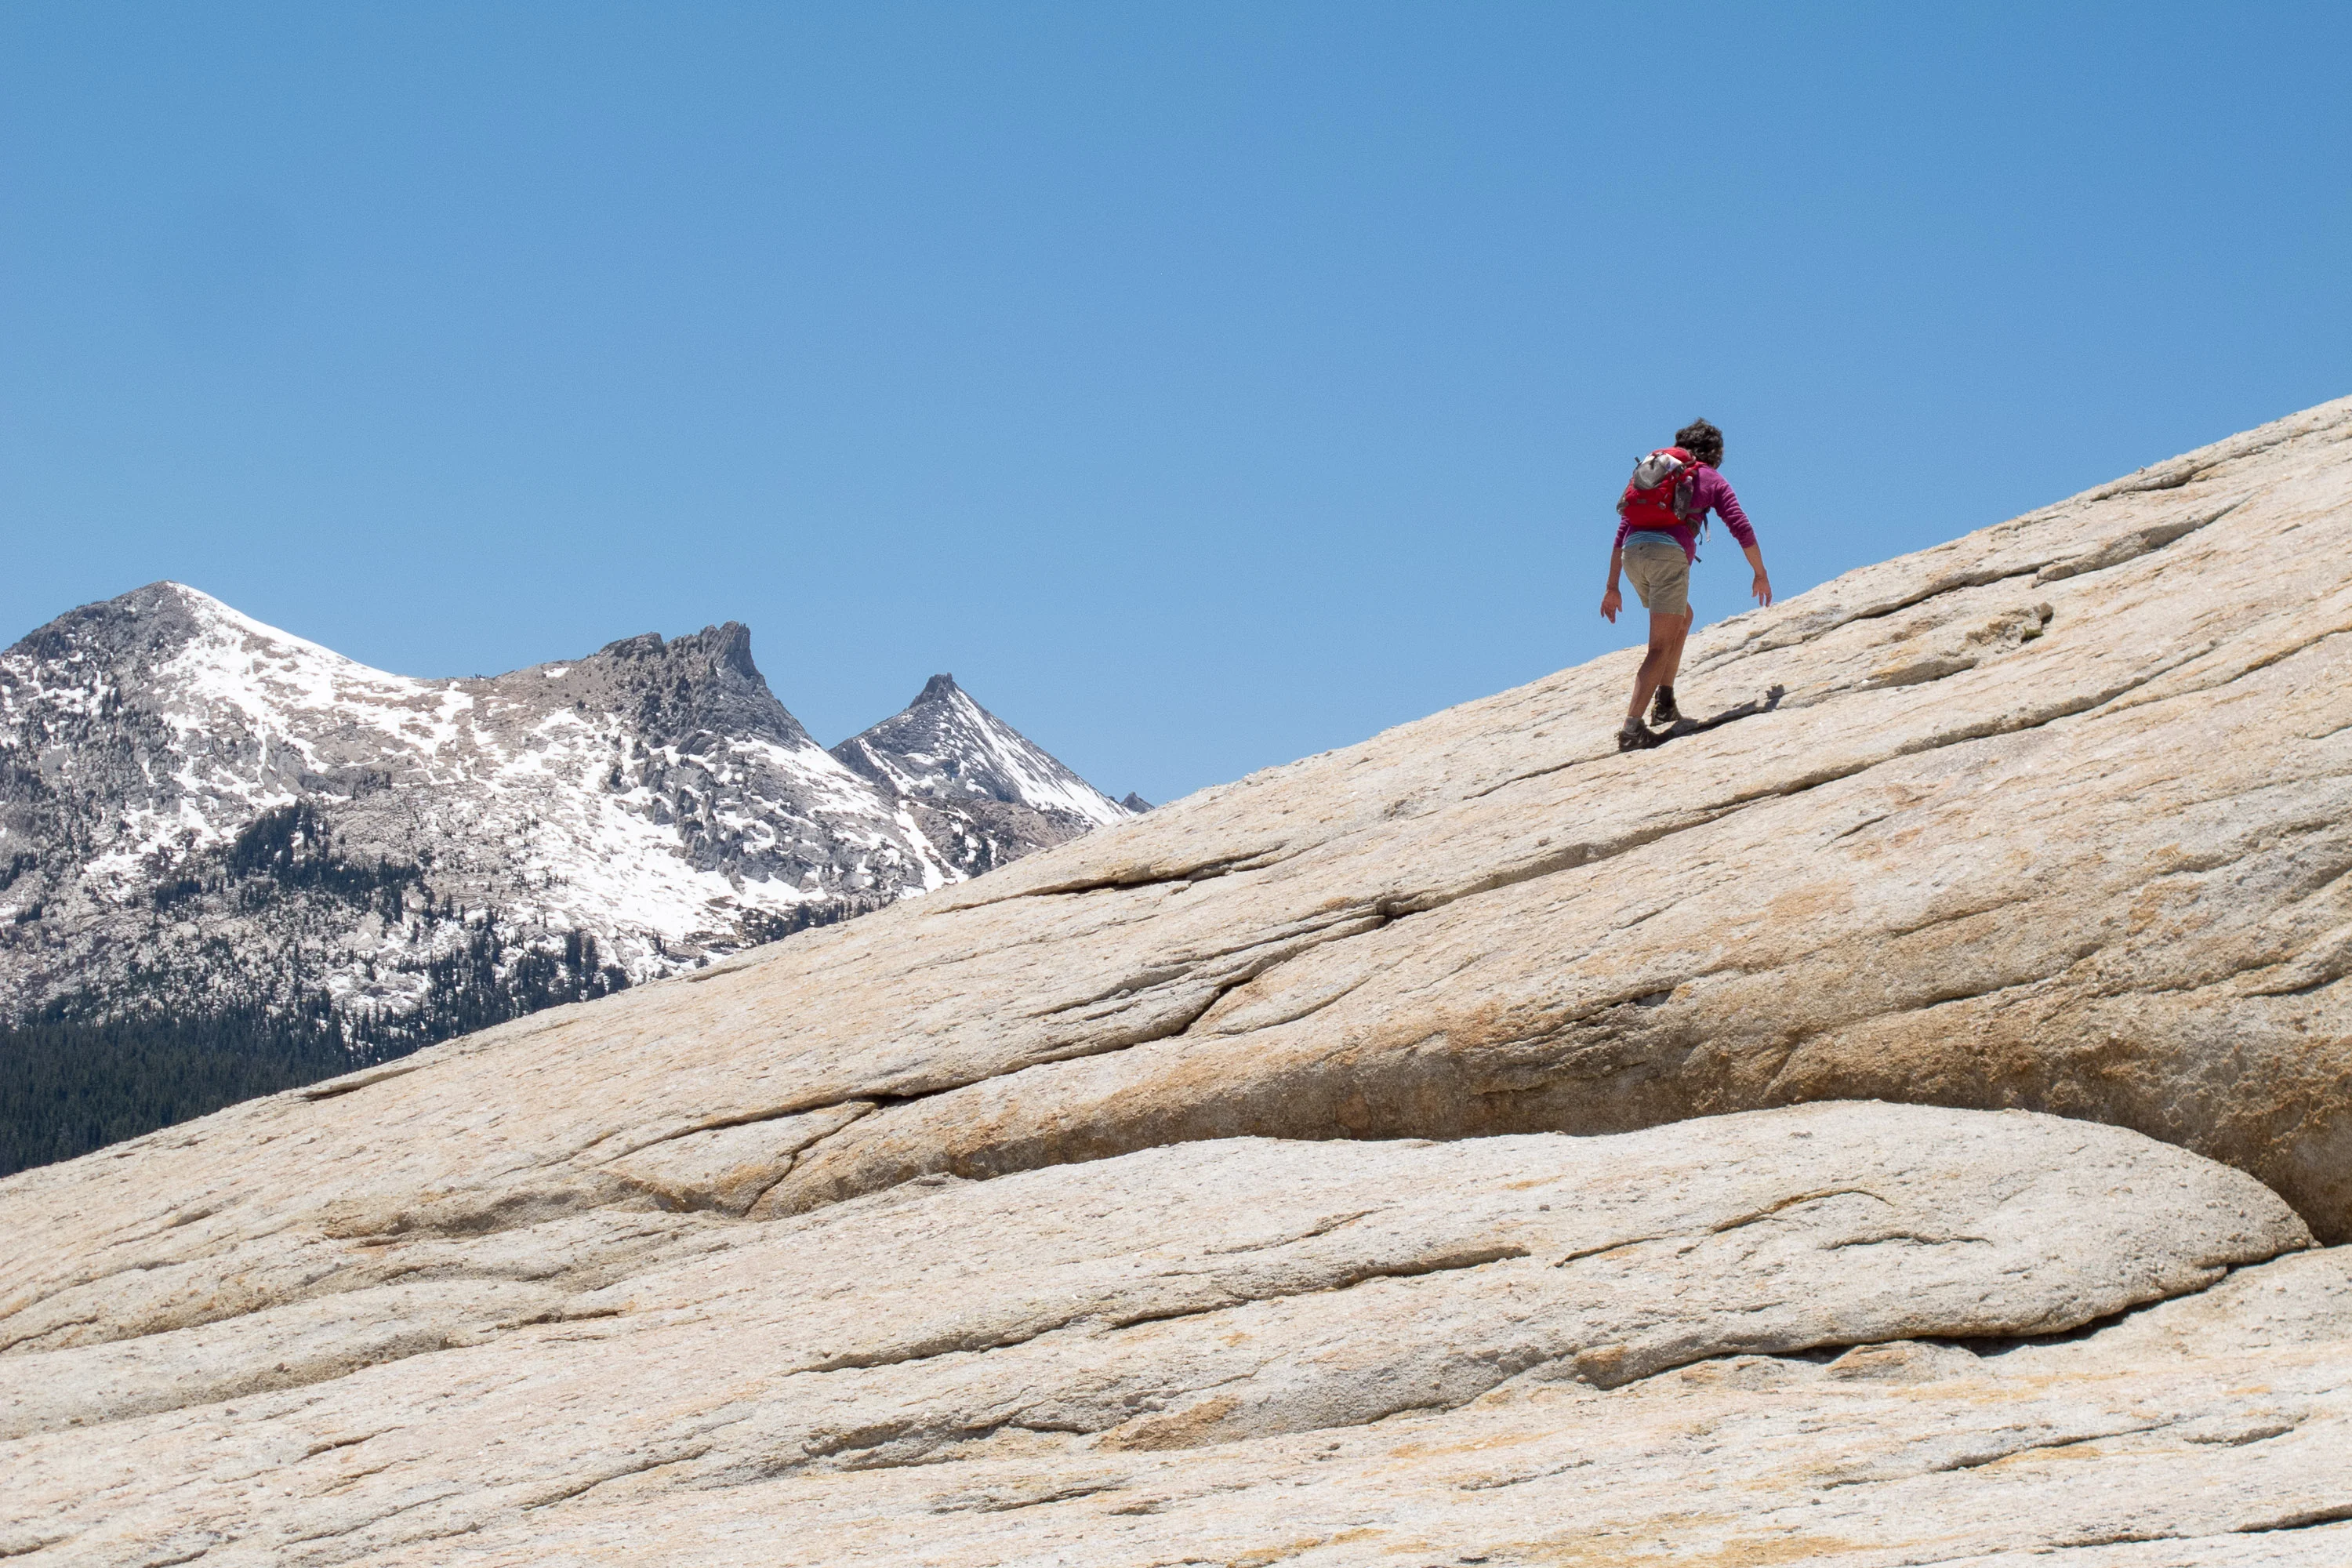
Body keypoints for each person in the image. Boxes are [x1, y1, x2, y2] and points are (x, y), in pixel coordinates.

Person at [1599, 419, 1772, 751]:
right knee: (1658, 647)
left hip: (1635, 554)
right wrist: (1760, 573)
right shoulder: (1709, 477)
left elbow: (1624, 529)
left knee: (1683, 617)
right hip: (1666, 557)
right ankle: (1632, 730)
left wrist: (1612, 586)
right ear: (1715, 453)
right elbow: (1741, 526)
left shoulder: (1657, 473)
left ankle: (1665, 702)